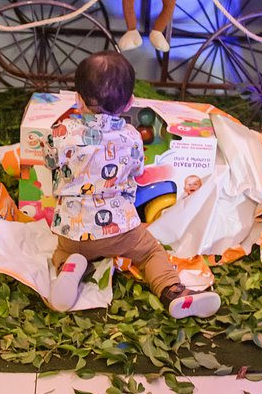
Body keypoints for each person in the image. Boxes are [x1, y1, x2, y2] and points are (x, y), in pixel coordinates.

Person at [43, 50, 221, 319]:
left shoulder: (61, 133)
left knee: (63, 251)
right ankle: (172, 291)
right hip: (120, 230)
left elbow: (49, 161)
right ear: (130, 103)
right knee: (150, 253)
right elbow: (136, 170)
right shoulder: (131, 136)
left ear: (77, 99)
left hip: (72, 232)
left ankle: (69, 265)